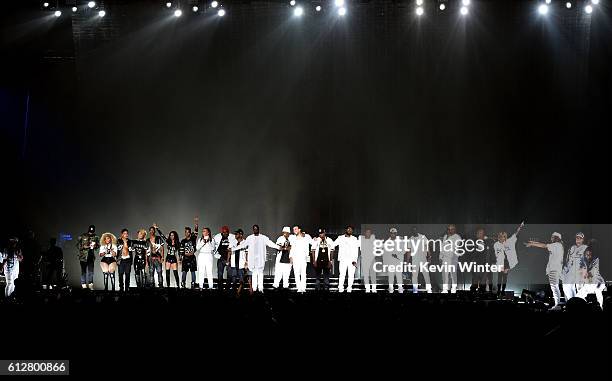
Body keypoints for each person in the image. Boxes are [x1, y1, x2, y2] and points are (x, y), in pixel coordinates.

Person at [233, 225, 281, 293]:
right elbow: (242, 245)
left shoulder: (263, 238)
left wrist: (278, 247)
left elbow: (270, 243)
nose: (255, 230)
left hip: (260, 260)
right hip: (253, 260)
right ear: (253, 230)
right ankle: (254, 289)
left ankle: (260, 289)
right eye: (254, 229)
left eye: (256, 229)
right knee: (254, 274)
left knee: (260, 274)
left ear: (258, 229)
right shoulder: (250, 238)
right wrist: (233, 249)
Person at [525, 232, 564, 310]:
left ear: (557, 238)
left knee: (554, 287)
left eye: (552, 237)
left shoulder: (557, 245)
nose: (551, 238)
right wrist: (532, 242)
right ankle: (558, 304)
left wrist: (532, 244)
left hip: (554, 269)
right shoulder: (557, 245)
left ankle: (558, 305)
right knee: (555, 287)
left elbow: (543, 245)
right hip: (554, 269)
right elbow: (544, 244)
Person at [494, 222, 524, 296]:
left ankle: (503, 291)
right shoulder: (496, 244)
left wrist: (520, 227)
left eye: (503, 236)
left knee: (504, 277)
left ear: (505, 237)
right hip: (500, 262)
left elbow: (516, 233)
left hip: (507, 262)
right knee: (499, 277)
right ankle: (498, 291)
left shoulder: (510, 241)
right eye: (500, 236)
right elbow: (496, 254)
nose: (501, 238)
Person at [333, 225, 360, 293]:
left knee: (351, 275)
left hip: (351, 260)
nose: (349, 230)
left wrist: (355, 260)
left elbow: (356, 250)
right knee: (342, 274)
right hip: (343, 259)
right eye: (348, 229)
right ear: (346, 230)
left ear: (352, 231)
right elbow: (333, 244)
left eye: (351, 229)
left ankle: (349, 289)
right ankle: (340, 289)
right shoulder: (340, 238)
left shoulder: (354, 239)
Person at [561, 232, 588, 301]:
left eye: (580, 238)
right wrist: (564, 271)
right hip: (571, 271)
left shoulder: (586, 248)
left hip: (580, 271)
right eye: (577, 238)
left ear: (583, 239)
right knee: (566, 286)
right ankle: (572, 301)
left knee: (580, 291)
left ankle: (581, 304)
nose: (578, 239)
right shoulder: (572, 248)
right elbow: (568, 261)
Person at [407, 226, 432, 294]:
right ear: (412, 231)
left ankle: (429, 289)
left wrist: (429, 256)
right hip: (415, 260)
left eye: (415, 230)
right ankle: (415, 290)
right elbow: (409, 251)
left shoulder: (423, 237)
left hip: (423, 258)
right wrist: (407, 261)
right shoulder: (410, 239)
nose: (414, 231)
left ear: (417, 230)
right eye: (413, 230)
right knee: (414, 275)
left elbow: (427, 246)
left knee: (426, 274)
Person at [439, 224, 462, 294]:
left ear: (455, 230)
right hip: (445, 258)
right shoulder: (445, 236)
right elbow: (442, 247)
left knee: (453, 274)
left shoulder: (457, 237)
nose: (450, 230)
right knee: (444, 274)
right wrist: (440, 257)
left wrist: (449, 239)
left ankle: (454, 289)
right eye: (449, 229)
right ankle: (445, 289)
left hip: (453, 258)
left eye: (452, 229)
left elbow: (453, 247)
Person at [288, 225, 312, 293]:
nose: (294, 230)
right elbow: (291, 247)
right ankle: (299, 288)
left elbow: (312, 242)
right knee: (296, 273)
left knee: (303, 273)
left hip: (303, 258)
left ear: (299, 229)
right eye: (293, 229)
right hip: (295, 258)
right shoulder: (292, 238)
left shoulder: (306, 236)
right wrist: (290, 256)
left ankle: (303, 288)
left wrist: (316, 239)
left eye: (295, 229)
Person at [471, 227, 495, 293]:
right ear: (476, 234)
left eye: (482, 233)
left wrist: (492, 262)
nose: (480, 235)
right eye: (479, 233)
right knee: (474, 282)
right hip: (476, 266)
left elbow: (491, 253)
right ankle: (472, 296)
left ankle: (482, 296)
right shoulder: (472, 243)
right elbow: (471, 255)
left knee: (483, 283)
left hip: (485, 266)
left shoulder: (488, 242)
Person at [76, 225, 100, 290]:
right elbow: (77, 245)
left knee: (91, 272)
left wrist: (95, 246)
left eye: (92, 232)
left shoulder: (96, 237)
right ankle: (83, 285)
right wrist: (84, 246)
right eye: (90, 231)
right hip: (83, 257)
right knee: (83, 272)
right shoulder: (82, 236)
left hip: (91, 257)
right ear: (88, 230)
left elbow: (98, 245)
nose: (91, 233)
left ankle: (90, 285)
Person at [213, 226, 237, 291]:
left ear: (228, 232)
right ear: (221, 232)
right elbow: (214, 249)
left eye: (226, 232)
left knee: (229, 275)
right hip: (221, 259)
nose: (225, 233)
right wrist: (219, 256)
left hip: (229, 259)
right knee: (220, 274)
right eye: (224, 232)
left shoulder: (232, 237)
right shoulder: (217, 237)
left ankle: (227, 288)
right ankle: (220, 288)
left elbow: (237, 242)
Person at [384, 227, 405, 293]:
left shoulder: (401, 241)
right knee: (390, 275)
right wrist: (385, 263)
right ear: (390, 234)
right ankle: (390, 288)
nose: (393, 234)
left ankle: (400, 288)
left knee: (399, 275)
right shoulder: (387, 242)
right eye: (391, 233)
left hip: (398, 261)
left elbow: (404, 251)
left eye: (394, 233)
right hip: (390, 261)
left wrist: (397, 253)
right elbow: (385, 253)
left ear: (396, 233)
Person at [180, 217, 199, 288]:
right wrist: (180, 258)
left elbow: (196, 231)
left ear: (190, 233)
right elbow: (181, 251)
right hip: (185, 257)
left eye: (188, 232)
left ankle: (193, 283)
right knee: (184, 271)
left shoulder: (193, 238)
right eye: (185, 232)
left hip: (192, 257)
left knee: (193, 271)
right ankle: (183, 283)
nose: (186, 233)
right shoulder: (183, 241)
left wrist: (196, 223)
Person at [359, 228, 377, 293]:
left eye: (369, 232)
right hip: (364, 259)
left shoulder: (373, 238)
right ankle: (367, 288)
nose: (368, 233)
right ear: (365, 233)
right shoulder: (361, 239)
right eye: (367, 232)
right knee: (366, 274)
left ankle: (374, 288)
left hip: (372, 259)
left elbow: (373, 236)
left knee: (373, 274)